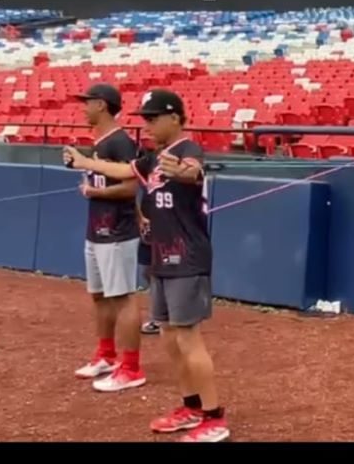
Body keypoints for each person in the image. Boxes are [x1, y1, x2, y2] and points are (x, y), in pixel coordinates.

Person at [63, 89, 229, 443]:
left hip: (187, 256)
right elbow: (124, 169)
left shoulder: (186, 150)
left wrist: (183, 171)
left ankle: (215, 416)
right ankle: (191, 406)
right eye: (145, 118)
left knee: (188, 337)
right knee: (170, 336)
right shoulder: (153, 158)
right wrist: (85, 162)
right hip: (160, 255)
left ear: (174, 118)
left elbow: (193, 170)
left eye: (153, 119)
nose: (147, 125)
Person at [72, 83, 146, 393]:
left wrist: (94, 191)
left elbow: (131, 187)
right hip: (97, 228)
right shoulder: (100, 141)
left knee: (122, 297)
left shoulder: (120, 142)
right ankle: (106, 354)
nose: (83, 108)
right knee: (100, 295)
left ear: (101, 105)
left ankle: (131, 367)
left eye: (87, 102)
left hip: (117, 230)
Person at [137, 186, 161, 335]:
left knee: (156, 272)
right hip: (147, 226)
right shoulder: (146, 176)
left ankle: (159, 318)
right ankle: (161, 314)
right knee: (146, 272)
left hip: (165, 227)